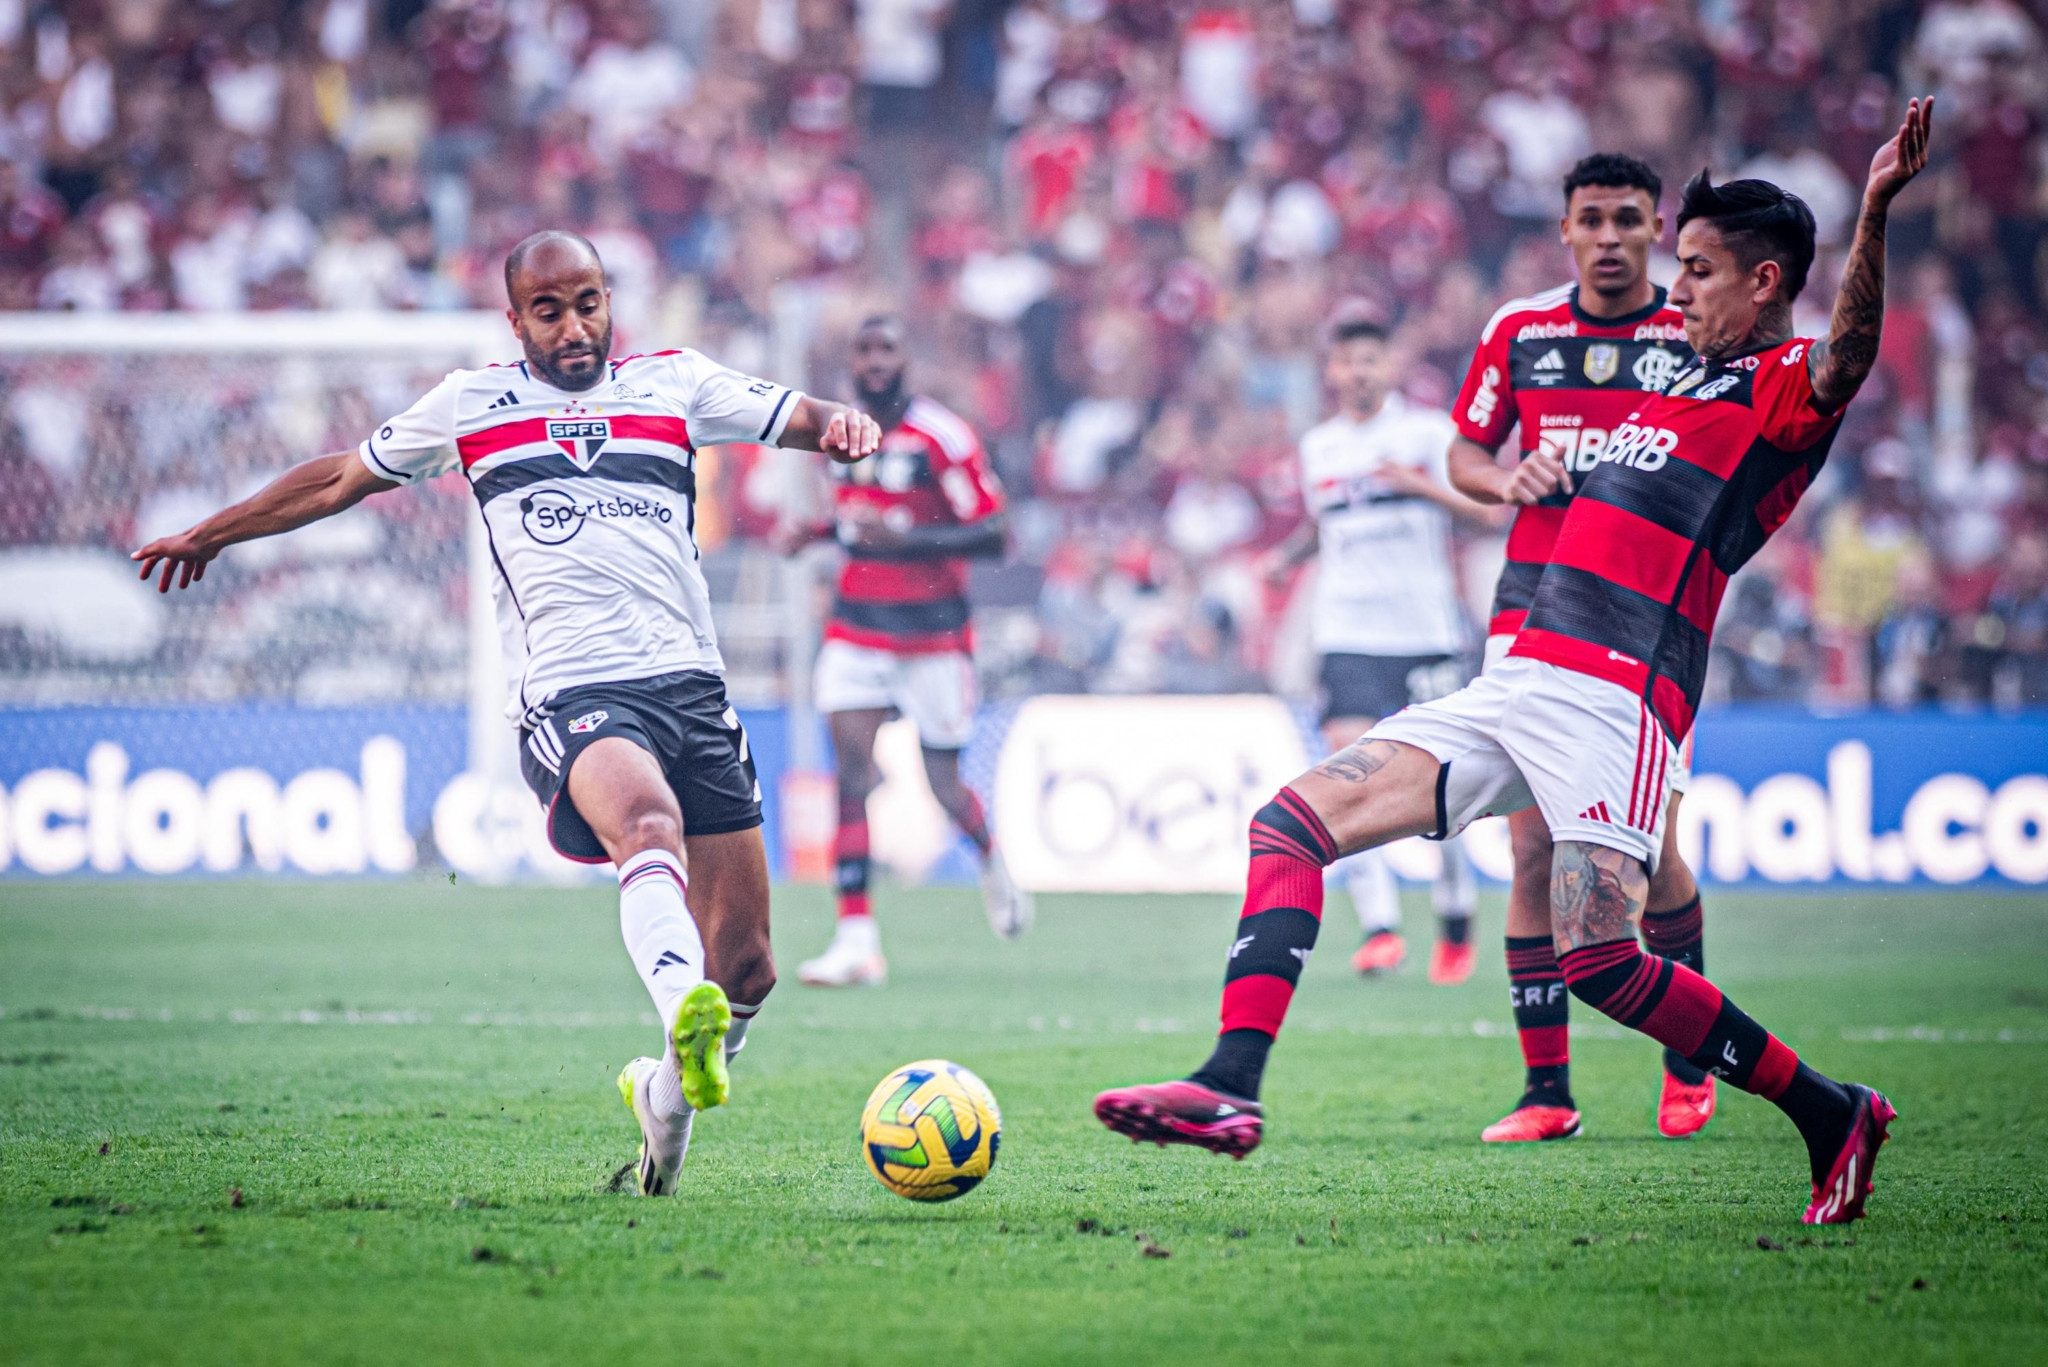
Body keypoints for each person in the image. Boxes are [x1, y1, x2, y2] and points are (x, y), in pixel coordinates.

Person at [1093, 100, 1934, 1227]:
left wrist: (1873, 208)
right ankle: (1227, 1085)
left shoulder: (1781, 385)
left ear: (1766, 280)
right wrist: (1501, 475)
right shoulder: (1670, 374)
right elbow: (1499, 440)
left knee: (1599, 958)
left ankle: (1830, 1110)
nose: (1670, 290)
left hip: (1618, 695)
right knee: (1285, 824)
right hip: (1515, 673)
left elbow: (1849, 354)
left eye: (1692, 270)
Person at [130, 231, 883, 1197]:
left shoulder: (676, 384)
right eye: (550, 309)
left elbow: (805, 418)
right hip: (572, 690)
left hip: (693, 686)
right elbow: (337, 477)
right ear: (516, 317)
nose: (576, 327)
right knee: (646, 828)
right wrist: (212, 533)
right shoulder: (472, 405)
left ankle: (664, 1098)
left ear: (611, 300)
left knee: (750, 966)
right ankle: (677, 1002)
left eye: (590, 302)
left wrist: (847, 425)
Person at [1445, 153, 1719, 1144]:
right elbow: (1463, 454)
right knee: (1526, 845)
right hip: (1527, 605)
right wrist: (1506, 477)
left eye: (1626, 220)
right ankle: (1545, 1091)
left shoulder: (1688, 333)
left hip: (1644, 612)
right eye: (1589, 219)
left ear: (1656, 230)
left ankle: (1687, 1054)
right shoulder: (1518, 331)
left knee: (1648, 849)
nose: (1607, 237)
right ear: (1563, 230)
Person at [781, 315, 1032, 989]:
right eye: (861, 350)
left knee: (943, 788)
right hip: (857, 627)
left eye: (885, 349)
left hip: (934, 634)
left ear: (906, 360)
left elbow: (995, 533)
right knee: (852, 775)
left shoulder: (942, 437)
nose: (873, 362)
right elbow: (860, 514)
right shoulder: (843, 431)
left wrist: (908, 542)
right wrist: (814, 533)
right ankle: (856, 938)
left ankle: (989, 855)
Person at [1258, 319, 1498, 984]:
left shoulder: (1426, 434)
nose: (1359, 372)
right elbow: (1325, 518)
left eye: (1370, 359)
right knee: (1342, 774)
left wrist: (1419, 484)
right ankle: (1381, 927)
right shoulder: (1318, 447)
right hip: (1347, 636)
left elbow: (1487, 513)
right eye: (1347, 361)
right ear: (1331, 372)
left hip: (1423, 632)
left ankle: (1454, 916)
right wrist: (1286, 557)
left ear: (1388, 365)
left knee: (1440, 786)